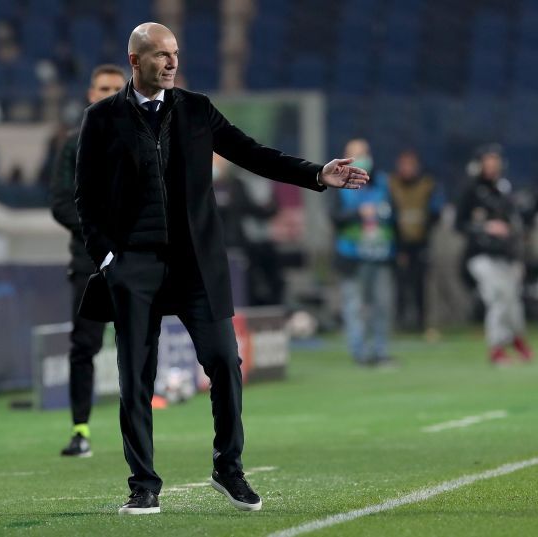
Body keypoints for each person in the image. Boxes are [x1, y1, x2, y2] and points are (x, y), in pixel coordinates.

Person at [74, 23, 369, 515]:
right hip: (135, 265)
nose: (170, 63)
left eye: (174, 54)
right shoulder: (101, 118)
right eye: (160, 56)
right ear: (135, 60)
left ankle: (228, 469)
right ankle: (143, 484)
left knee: (225, 365)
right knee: (136, 380)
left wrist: (316, 174)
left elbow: (253, 154)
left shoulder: (197, 109)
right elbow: (86, 197)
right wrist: (109, 258)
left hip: (196, 264)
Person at [50, 64, 127, 458]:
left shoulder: (141, 138)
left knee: (138, 343)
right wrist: (100, 235)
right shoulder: (73, 143)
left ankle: (139, 433)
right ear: (90, 93)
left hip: (135, 260)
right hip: (89, 262)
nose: (111, 93)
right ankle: (81, 430)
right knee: (85, 346)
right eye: (103, 88)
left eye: (117, 87)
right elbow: (61, 203)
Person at [454, 144, 533, 365]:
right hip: (481, 255)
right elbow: (458, 225)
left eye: (494, 161)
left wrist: (518, 250)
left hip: (505, 255)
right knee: (497, 298)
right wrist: (485, 228)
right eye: (487, 162)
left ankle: (517, 338)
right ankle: (497, 347)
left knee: (512, 301)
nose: (491, 166)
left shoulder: (504, 189)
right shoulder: (471, 190)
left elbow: (515, 223)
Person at [330, 138, 396, 366]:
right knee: (355, 306)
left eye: (363, 153)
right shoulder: (337, 183)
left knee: (381, 305)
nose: (360, 159)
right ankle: (360, 353)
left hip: (379, 253)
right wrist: (359, 213)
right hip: (351, 256)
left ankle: (380, 351)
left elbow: (393, 214)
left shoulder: (383, 182)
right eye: (354, 154)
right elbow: (334, 218)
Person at [211, 153, 284, 305]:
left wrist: (271, 207)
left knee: (240, 285)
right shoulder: (200, 186)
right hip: (209, 247)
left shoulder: (236, 185)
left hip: (236, 244)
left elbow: (254, 209)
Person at [388, 149, 443, 332]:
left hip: (421, 243)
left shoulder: (427, 184)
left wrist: (427, 232)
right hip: (398, 243)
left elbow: (436, 212)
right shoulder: (392, 185)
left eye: (411, 165)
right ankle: (400, 321)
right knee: (400, 284)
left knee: (421, 285)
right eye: (404, 165)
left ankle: (421, 322)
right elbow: (390, 214)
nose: (407, 169)